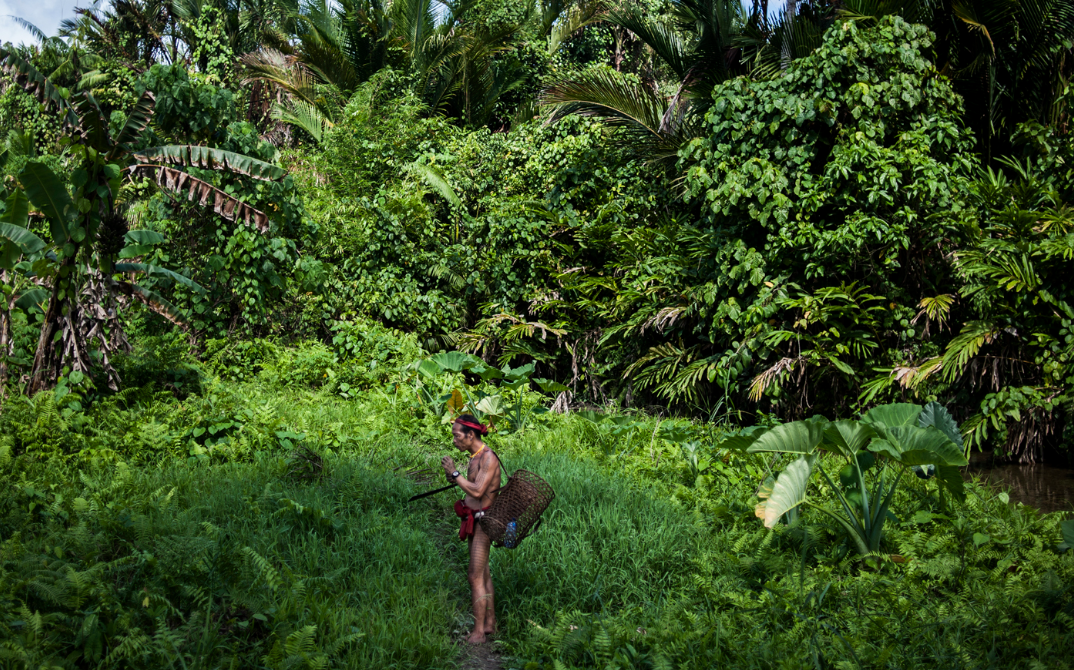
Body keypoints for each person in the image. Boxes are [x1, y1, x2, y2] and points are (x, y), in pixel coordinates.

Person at [441, 414, 501, 644]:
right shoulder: (474, 456)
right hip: (473, 519)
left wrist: (455, 473)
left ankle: (478, 633)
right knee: (483, 573)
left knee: (474, 575)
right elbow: (467, 486)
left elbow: (476, 491)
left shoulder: (488, 457)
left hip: (484, 521)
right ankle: (489, 624)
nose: (454, 440)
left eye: (457, 435)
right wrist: (452, 474)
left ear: (471, 435)